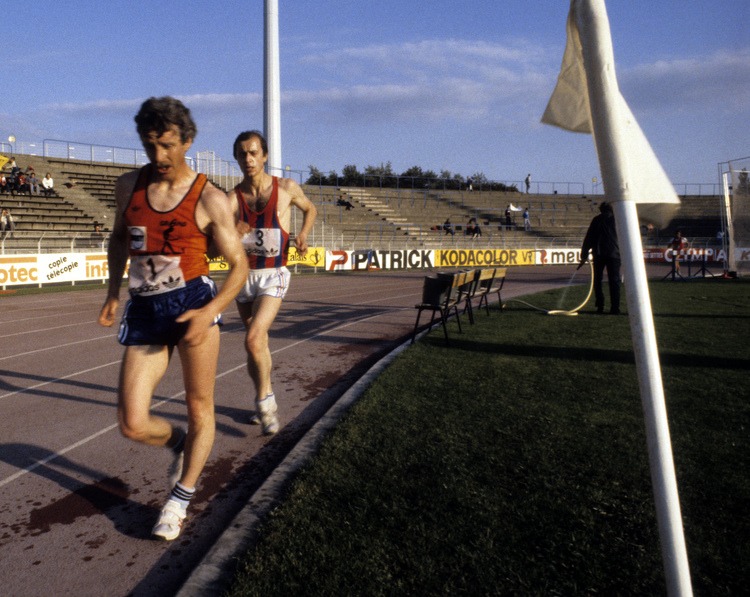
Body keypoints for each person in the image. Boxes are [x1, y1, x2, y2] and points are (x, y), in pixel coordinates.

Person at [97, 96, 248, 541]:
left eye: (167, 145)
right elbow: (119, 238)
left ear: (187, 141)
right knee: (132, 422)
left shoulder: (209, 198)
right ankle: (180, 446)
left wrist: (211, 311)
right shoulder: (129, 186)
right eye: (150, 146)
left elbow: (238, 267)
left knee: (200, 406)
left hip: (192, 306)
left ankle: (178, 502)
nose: (159, 157)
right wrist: (110, 292)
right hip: (145, 307)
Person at [229, 130, 317, 435]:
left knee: (253, 338)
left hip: (274, 273)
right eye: (242, 154)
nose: (249, 159)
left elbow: (310, 208)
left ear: (264, 156)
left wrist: (303, 234)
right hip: (243, 276)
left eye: (254, 153)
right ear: (237, 158)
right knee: (258, 345)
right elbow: (214, 227)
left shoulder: (287, 188)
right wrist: (230, 226)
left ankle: (266, 405)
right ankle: (263, 397)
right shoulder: (232, 198)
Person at [578, 201, 621, 314]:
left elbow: (588, 238)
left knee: (597, 280)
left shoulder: (596, 220)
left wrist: (584, 255)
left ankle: (600, 305)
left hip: (599, 253)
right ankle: (615, 307)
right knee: (614, 281)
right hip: (614, 254)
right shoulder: (617, 219)